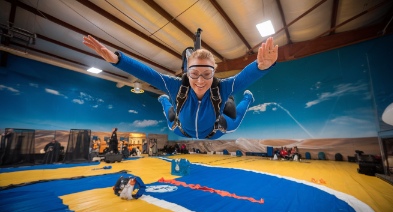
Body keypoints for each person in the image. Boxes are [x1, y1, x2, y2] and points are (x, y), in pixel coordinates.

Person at [83, 35, 278, 139]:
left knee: (234, 122)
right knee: (169, 112)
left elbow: (244, 77)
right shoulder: (177, 86)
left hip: (212, 132)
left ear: (214, 73)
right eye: (194, 74)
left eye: (207, 75)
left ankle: (248, 99)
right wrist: (118, 60)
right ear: (187, 73)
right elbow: (148, 73)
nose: (200, 81)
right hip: (181, 130)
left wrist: (261, 66)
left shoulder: (222, 88)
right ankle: (164, 100)